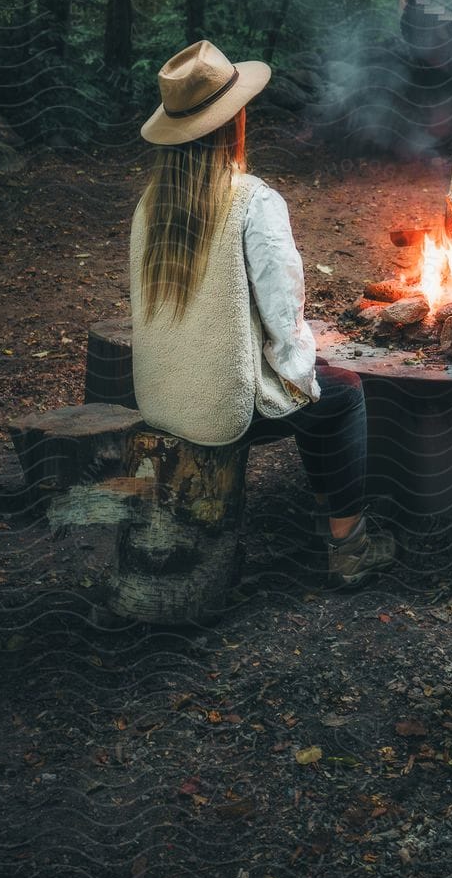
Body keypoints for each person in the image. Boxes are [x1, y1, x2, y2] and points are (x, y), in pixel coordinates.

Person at [128, 38, 396, 589]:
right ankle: (349, 545)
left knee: (311, 385)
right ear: (232, 123)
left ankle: (327, 512)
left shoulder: (150, 203)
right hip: (219, 409)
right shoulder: (253, 199)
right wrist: (304, 374)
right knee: (339, 392)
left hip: (159, 397)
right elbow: (283, 316)